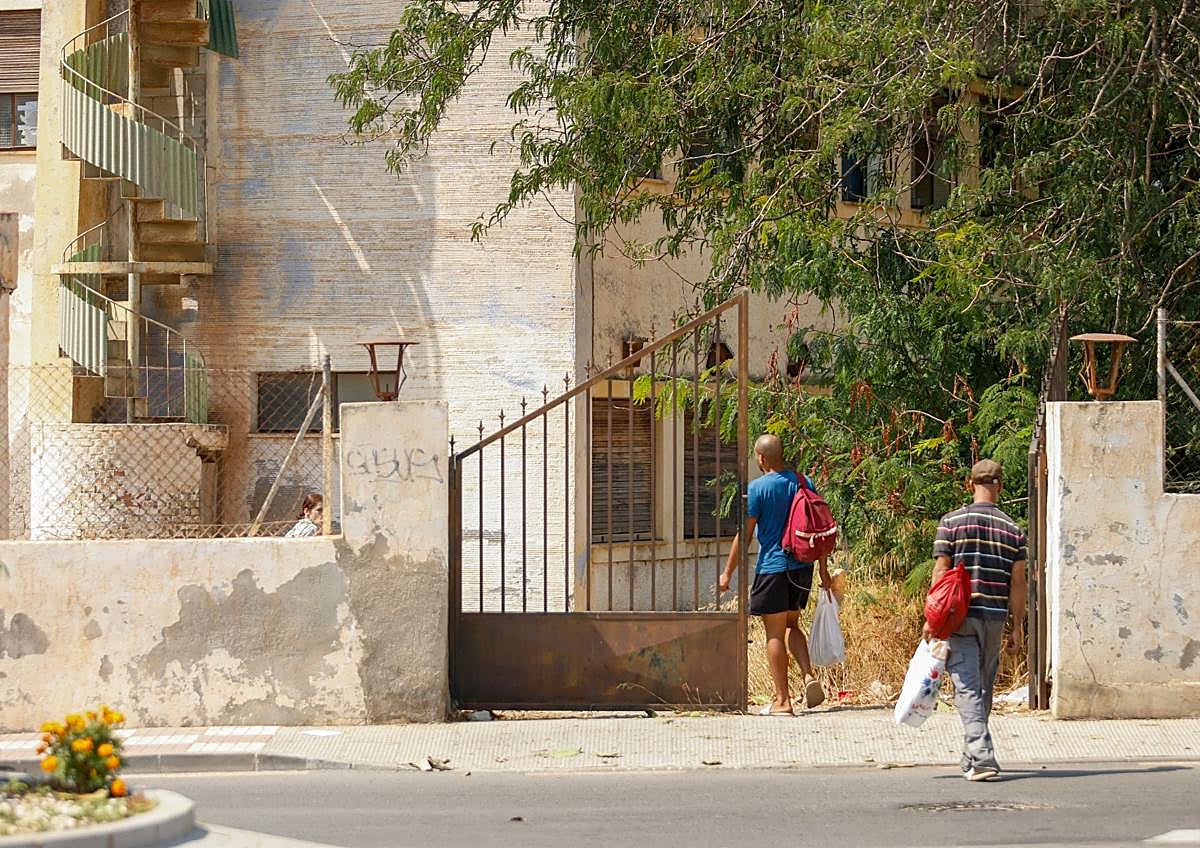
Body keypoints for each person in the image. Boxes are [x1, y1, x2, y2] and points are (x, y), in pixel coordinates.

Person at [926, 459, 1027, 781]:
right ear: (1000, 485)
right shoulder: (1014, 530)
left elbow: (941, 571)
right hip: (995, 617)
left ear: (970, 485)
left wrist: (931, 618)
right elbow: (1019, 584)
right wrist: (1019, 626)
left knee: (967, 688)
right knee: (982, 688)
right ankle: (974, 756)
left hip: (959, 617)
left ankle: (980, 757)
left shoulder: (951, 523)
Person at [719, 434, 831, 716]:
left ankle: (783, 701)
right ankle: (808, 675)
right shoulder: (804, 481)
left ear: (761, 458)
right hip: (803, 567)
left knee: (774, 634)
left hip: (773, 567)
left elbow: (743, 535)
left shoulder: (757, 489)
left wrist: (727, 572)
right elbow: (819, 530)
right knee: (793, 624)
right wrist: (824, 572)